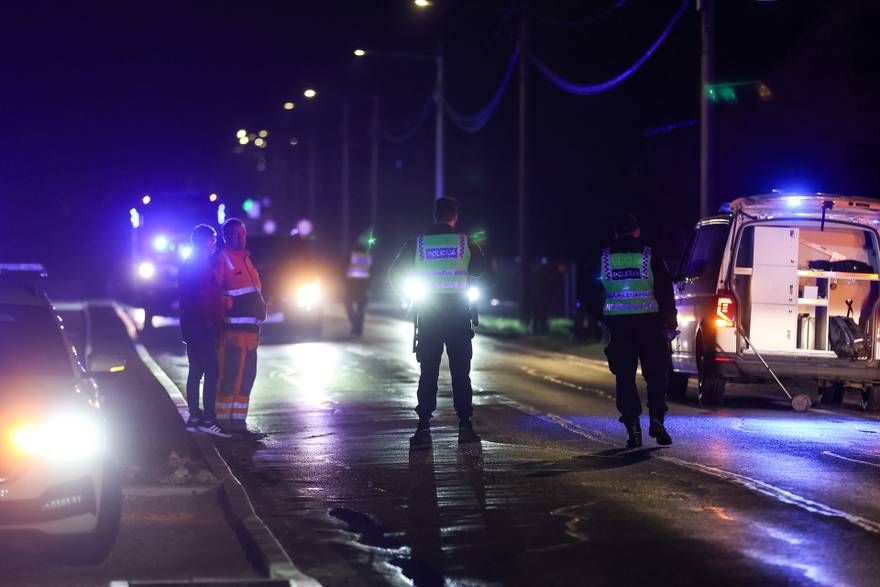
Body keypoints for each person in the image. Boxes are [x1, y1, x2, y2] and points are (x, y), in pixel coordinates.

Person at [389, 197, 487, 448]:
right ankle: (465, 426)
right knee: (461, 373)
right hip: (458, 317)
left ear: (435, 215)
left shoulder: (418, 243)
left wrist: (407, 299)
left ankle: (423, 427)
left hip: (429, 317)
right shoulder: (465, 242)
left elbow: (393, 273)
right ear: (455, 216)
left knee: (428, 371)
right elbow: (480, 270)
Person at [589, 214, 676, 449]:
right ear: (637, 232)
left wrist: (602, 318)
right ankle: (657, 419)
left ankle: (633, 429)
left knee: (625, 378)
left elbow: (592, 292)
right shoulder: (650, 255)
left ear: (616, 233)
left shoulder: (604, 257)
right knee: (656, 375)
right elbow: (665, 291)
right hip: (650, 325)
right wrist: (670, 323)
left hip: (619, 327)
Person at [215, 218, 267, 440]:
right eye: (236, 233)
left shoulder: (247, 259)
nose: (241, 236)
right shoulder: (222, 259)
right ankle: (224, 424)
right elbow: (214, 292)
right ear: (227, 236)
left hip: (251, 332)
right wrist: (227, 304)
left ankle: (239, 424)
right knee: (230, 378)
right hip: (233, 331)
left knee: (247, 378)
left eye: (243, 232)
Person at [178, 224, 230, 437]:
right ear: (203, 241)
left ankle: (195, 417)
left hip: (191, 325)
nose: (214, 243)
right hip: (204, 325)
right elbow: (206, 300)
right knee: (211, 372)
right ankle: (209, 418)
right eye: (212, 239)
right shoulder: (201, 266)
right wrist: (216, 321)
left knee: (196, 371)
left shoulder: (189, 265)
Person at [343, 240, 372, 336]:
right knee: (360, 309)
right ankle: (358, 328)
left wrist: (344, 282)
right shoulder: (367, 257)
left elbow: (343, 268)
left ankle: (356, 325)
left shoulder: (351, 255)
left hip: (351, 286)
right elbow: (371, 272)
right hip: (363, 287)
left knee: (348, 305)